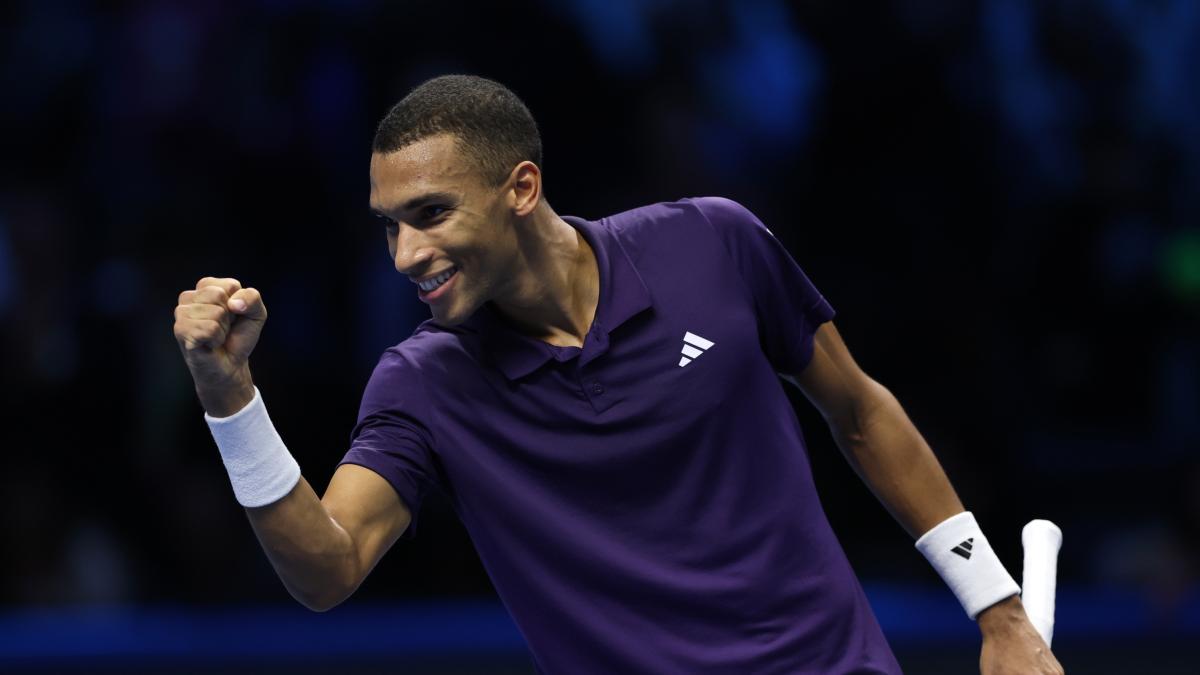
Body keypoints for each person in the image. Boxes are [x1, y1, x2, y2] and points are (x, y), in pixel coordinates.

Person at [173, 75, 1064, 674]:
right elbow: (326, 570)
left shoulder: (713, 242)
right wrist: (230, 398)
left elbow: (860, 411)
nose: (406, 253)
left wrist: (999, 609)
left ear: (520, 188)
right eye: (388, 226)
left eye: (430, 213)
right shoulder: (424, 383)